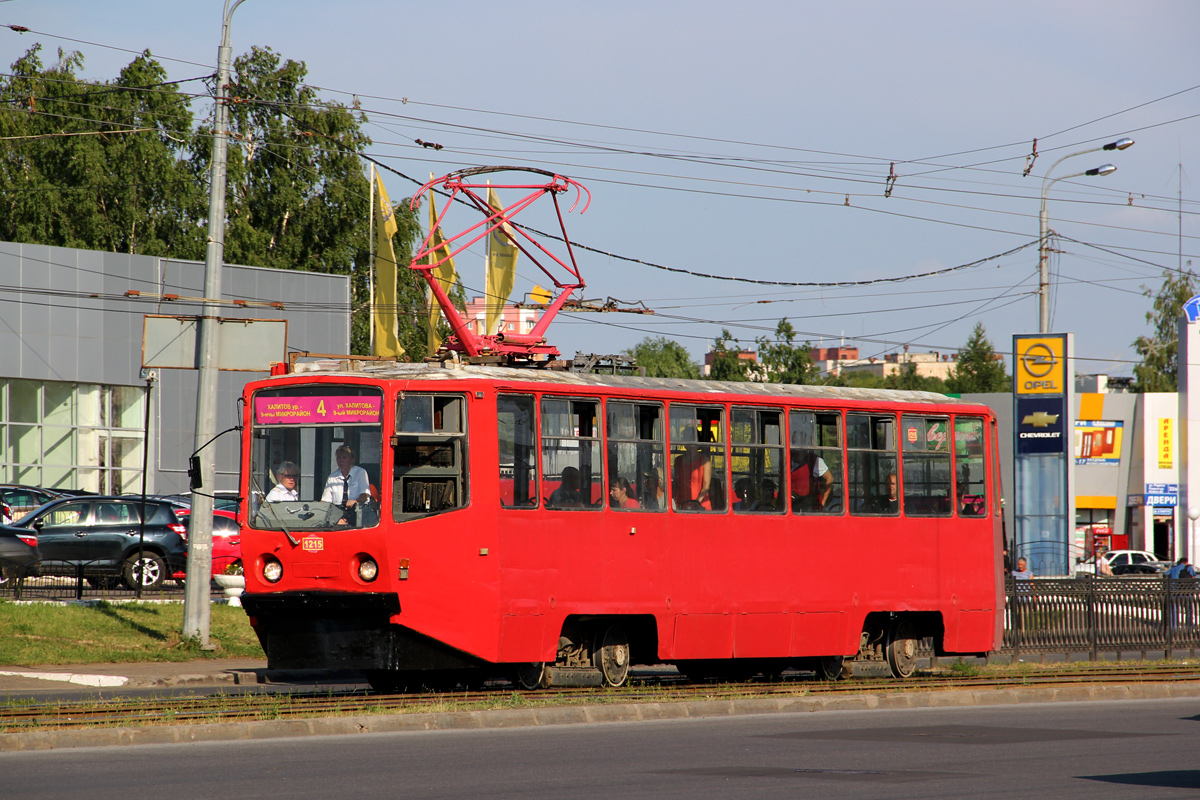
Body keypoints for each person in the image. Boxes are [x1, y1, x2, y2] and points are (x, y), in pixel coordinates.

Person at [321, 445, 370, 523]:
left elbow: (365, 495)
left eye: (344, 457)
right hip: (337, 514)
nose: (341, 461)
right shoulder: (332, 477)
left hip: (357, 513)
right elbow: (325, 501)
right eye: (338, 458)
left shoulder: (361, 472)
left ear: (352, 460)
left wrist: (354, 501)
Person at [672, 445, 712, 510]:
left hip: (701, 504)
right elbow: (675, 483)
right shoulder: (678, 460)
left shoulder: (705, 460)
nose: (690, 446)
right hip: (681, 503)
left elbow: (706, 485)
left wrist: (697, 502)